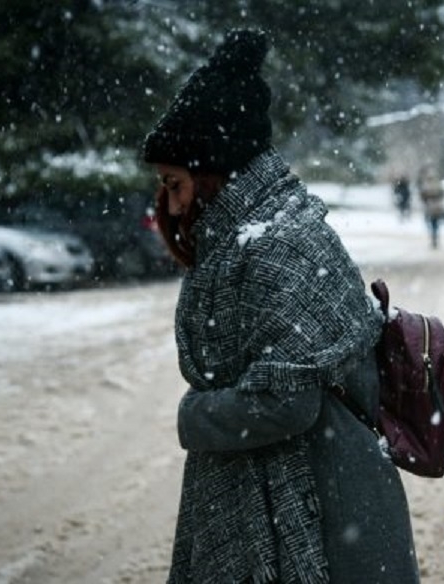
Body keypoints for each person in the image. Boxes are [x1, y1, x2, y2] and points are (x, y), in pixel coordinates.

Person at [140, 29, 420, 583]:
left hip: (318, 510)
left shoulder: (278, 246)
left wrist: (194, 414)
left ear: (211, 172)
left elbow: (286, 404)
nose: (170, 204)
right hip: (306, 496)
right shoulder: (257, 236)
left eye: (174, 184)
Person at [418, 165, 444, 249]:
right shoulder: (437, 183)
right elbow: (442, 193)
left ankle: (434, 238)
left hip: (430, 206)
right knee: (434, 223)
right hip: (435, 206)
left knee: (431, 223)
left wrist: (427, 199)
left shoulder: (426, 184)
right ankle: (434, 238)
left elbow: (423, 195)